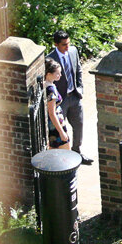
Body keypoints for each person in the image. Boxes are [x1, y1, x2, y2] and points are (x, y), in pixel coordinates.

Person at [47, 30, 93, 165]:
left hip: (74, 95)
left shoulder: (73, 51)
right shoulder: (50, 59)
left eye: (68, 43)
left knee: (79, 125)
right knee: (61, 129)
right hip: (61, 100)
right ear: (56, 44)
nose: (67, 47)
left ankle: (77, 152)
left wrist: (80, 88)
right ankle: (64, 159)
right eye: (63, 45)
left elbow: (78, 69)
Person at [44, 58, 70, 150]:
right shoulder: (51, 90)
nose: (60, 75)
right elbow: (52, 113)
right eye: (58, 73)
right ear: (49, 74)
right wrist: (61, 132)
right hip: (55, 126)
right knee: (65, 154)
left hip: (54, 124)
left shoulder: (46, 85)